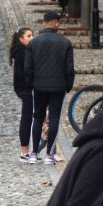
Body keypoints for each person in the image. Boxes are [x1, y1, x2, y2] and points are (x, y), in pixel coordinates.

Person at [25, 11, 74, 165]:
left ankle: (33, 153)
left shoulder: (34, 42)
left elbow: (28, 67)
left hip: (39, 85)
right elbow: (69, 69)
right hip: (58, 86)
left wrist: (30, 84)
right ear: (57, 24)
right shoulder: (65, 43)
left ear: (44, 24)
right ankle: (49, 155)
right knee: (54, 119)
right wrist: (68, 85)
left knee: (37, 117)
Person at [10, 27, 35, 161]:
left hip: (24, 88)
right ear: (21, 39)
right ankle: (24, 151)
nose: (32, 38)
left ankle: (29, 150)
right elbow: (27, 72)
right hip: (26, 89)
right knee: (27, 118)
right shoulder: (23, 53)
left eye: (32, 35)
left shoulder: (22, 51)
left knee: (29, 117)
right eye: (29, 36)